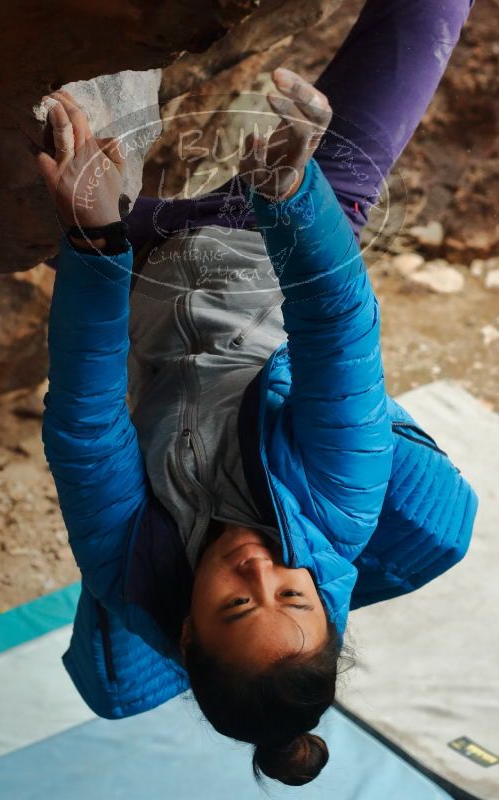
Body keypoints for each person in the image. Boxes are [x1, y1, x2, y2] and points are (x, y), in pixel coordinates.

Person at [36, 0, 477, 788]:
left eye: (237, 605)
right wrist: (289, 193)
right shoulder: (339, 505)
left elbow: (85, 421)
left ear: (186, 630)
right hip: (282, 235)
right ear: (321, 598)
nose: (255, 567)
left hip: (147, 257)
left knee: (40, 128)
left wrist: (95, 236)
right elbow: (336, 329)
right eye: (289, 594)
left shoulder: (131, 568)